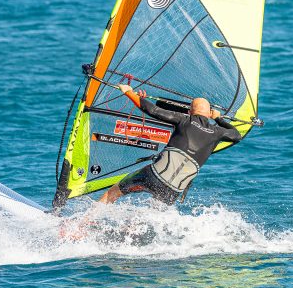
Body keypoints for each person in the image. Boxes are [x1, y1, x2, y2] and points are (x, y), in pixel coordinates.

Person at [98, 84, 242, 205]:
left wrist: (128, 91)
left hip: (153, 175)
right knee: (156, 214)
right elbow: (236, 135)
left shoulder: (185, 119)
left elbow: (153, 110)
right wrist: (219, 119)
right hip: (174, 189)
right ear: (209, 115)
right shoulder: (217, 132)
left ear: (190, 111)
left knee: (114, 192)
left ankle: (83, 226)